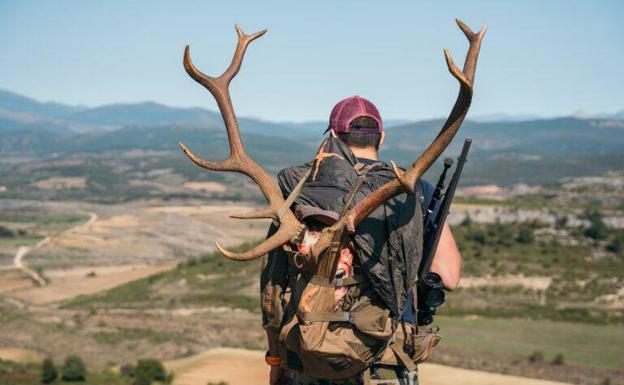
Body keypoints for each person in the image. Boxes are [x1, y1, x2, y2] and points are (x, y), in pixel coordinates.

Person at [262, 96, 462, 385]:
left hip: (308, 356)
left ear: (333, 136)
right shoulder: (414, 189)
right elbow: (449, 276)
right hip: (384, 362)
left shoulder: (298, 188)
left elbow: (273, 285)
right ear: (381, 136)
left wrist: (275, 359)